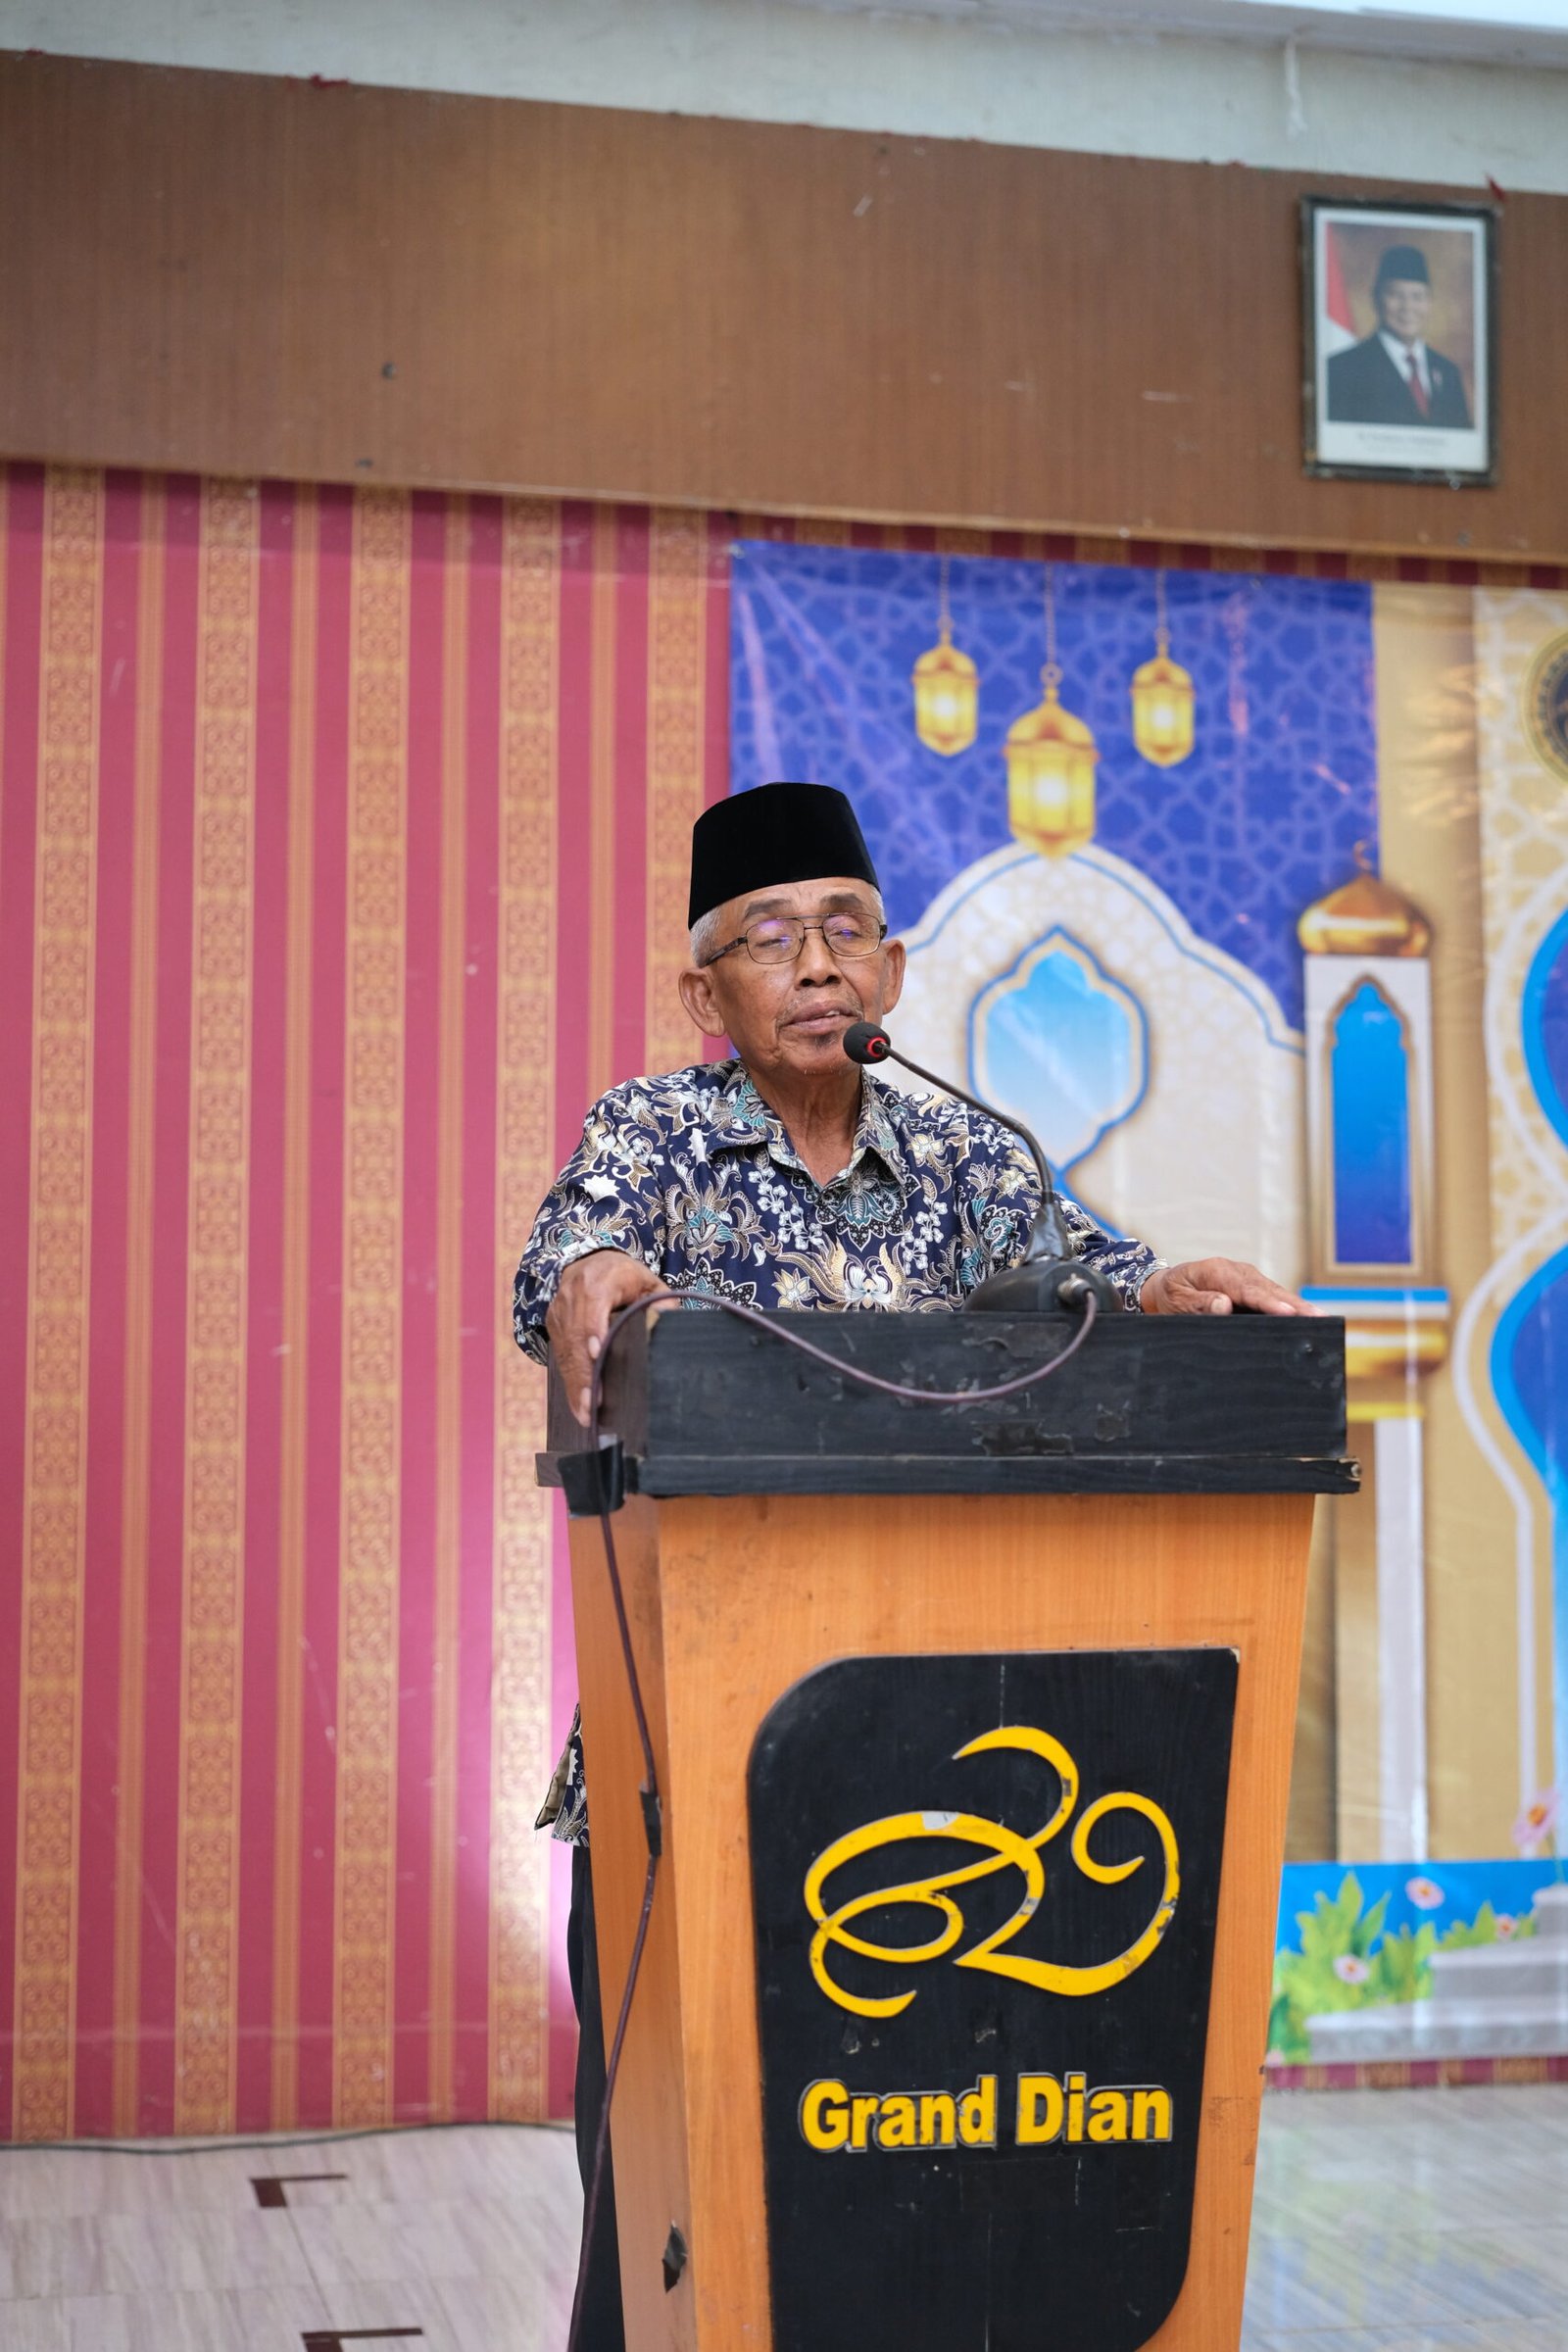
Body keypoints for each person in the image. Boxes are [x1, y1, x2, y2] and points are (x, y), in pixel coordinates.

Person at [512, 780, 1313, 2347]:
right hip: (690, 1768)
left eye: (847, 930)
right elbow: (565, 1262)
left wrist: (1167, 1294)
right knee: (668, 2203)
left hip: (939, 1790)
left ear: (889, 969)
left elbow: (1093, 1287)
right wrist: (590, 1269)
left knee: (910, 2196)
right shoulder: (652, 1133)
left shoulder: (968, 1151)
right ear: (707, 992)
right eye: (770, 937)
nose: (817, 964)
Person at [1325, 242, 1471, 429]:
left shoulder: (1448, 372)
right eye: (1395, 295)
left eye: (1417, 297)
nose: (1407, 307)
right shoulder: (1342, 369)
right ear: (1376, 299)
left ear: (1429, 302)